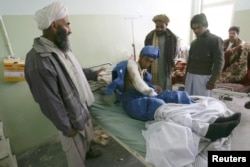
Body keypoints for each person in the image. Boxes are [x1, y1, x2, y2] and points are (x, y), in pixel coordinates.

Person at [107, 45, 241, 142]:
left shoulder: (143, 71)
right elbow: (137, 84)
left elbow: (146, 85)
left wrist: (154, 87)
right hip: (132, 101)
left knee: (175, 95)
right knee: (159, 105)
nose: (147, 64)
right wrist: (151, 91)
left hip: (144, 95)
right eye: (146, 60)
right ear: (140, 56)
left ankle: (211, 119)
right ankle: (205, 129)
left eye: (151, 62)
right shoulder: (130, 66)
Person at [24, 2, 102, 167]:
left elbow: (74, 72)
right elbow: (48, 101)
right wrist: (66, 127)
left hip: (81, 108)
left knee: (86, 141)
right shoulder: (39, 60)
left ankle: (88, 152)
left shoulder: (61, 47)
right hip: (71, 119)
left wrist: (93, 74)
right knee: (75, 156)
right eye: (67, 24)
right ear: (54, 26)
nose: (70, 30)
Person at [185, 13, 224, 96]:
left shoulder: (215, 40)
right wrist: (186, 77)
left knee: (202, 104)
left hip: (203, 78)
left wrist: (213, 81)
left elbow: (219, 62)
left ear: (205, 25)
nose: (196, 31)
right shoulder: (194, 43)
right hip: (190, 76)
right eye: (194, 28)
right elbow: (189, 62)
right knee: (189, 101)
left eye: (198, 27)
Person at [144, 14, 178, 90]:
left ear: (166, 25)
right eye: (157, 27)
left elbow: (175, 52)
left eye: (162, 27)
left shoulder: (172, 37)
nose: (159, 29)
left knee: (166, 85)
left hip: (165, 66)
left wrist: (171, 63)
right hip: (152, 66)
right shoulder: (149, 37)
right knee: (153, 85)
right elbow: (146, 52)